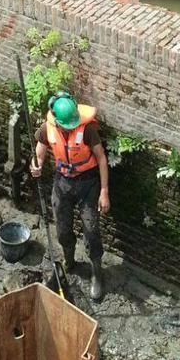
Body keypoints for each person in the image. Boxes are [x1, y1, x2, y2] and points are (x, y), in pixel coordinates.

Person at [30, 92, 110, 302]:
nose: (71, 128)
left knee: (91, 229)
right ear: (57, 121)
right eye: (67, 125)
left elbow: (101, 159)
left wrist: (104, 192)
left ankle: (96, 272)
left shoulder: (88, 129)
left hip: (88, 183)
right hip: (63, 183)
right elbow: (39, 153)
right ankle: (70, 261)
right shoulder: (48, 128)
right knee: (62, 229)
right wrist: (36, 166)